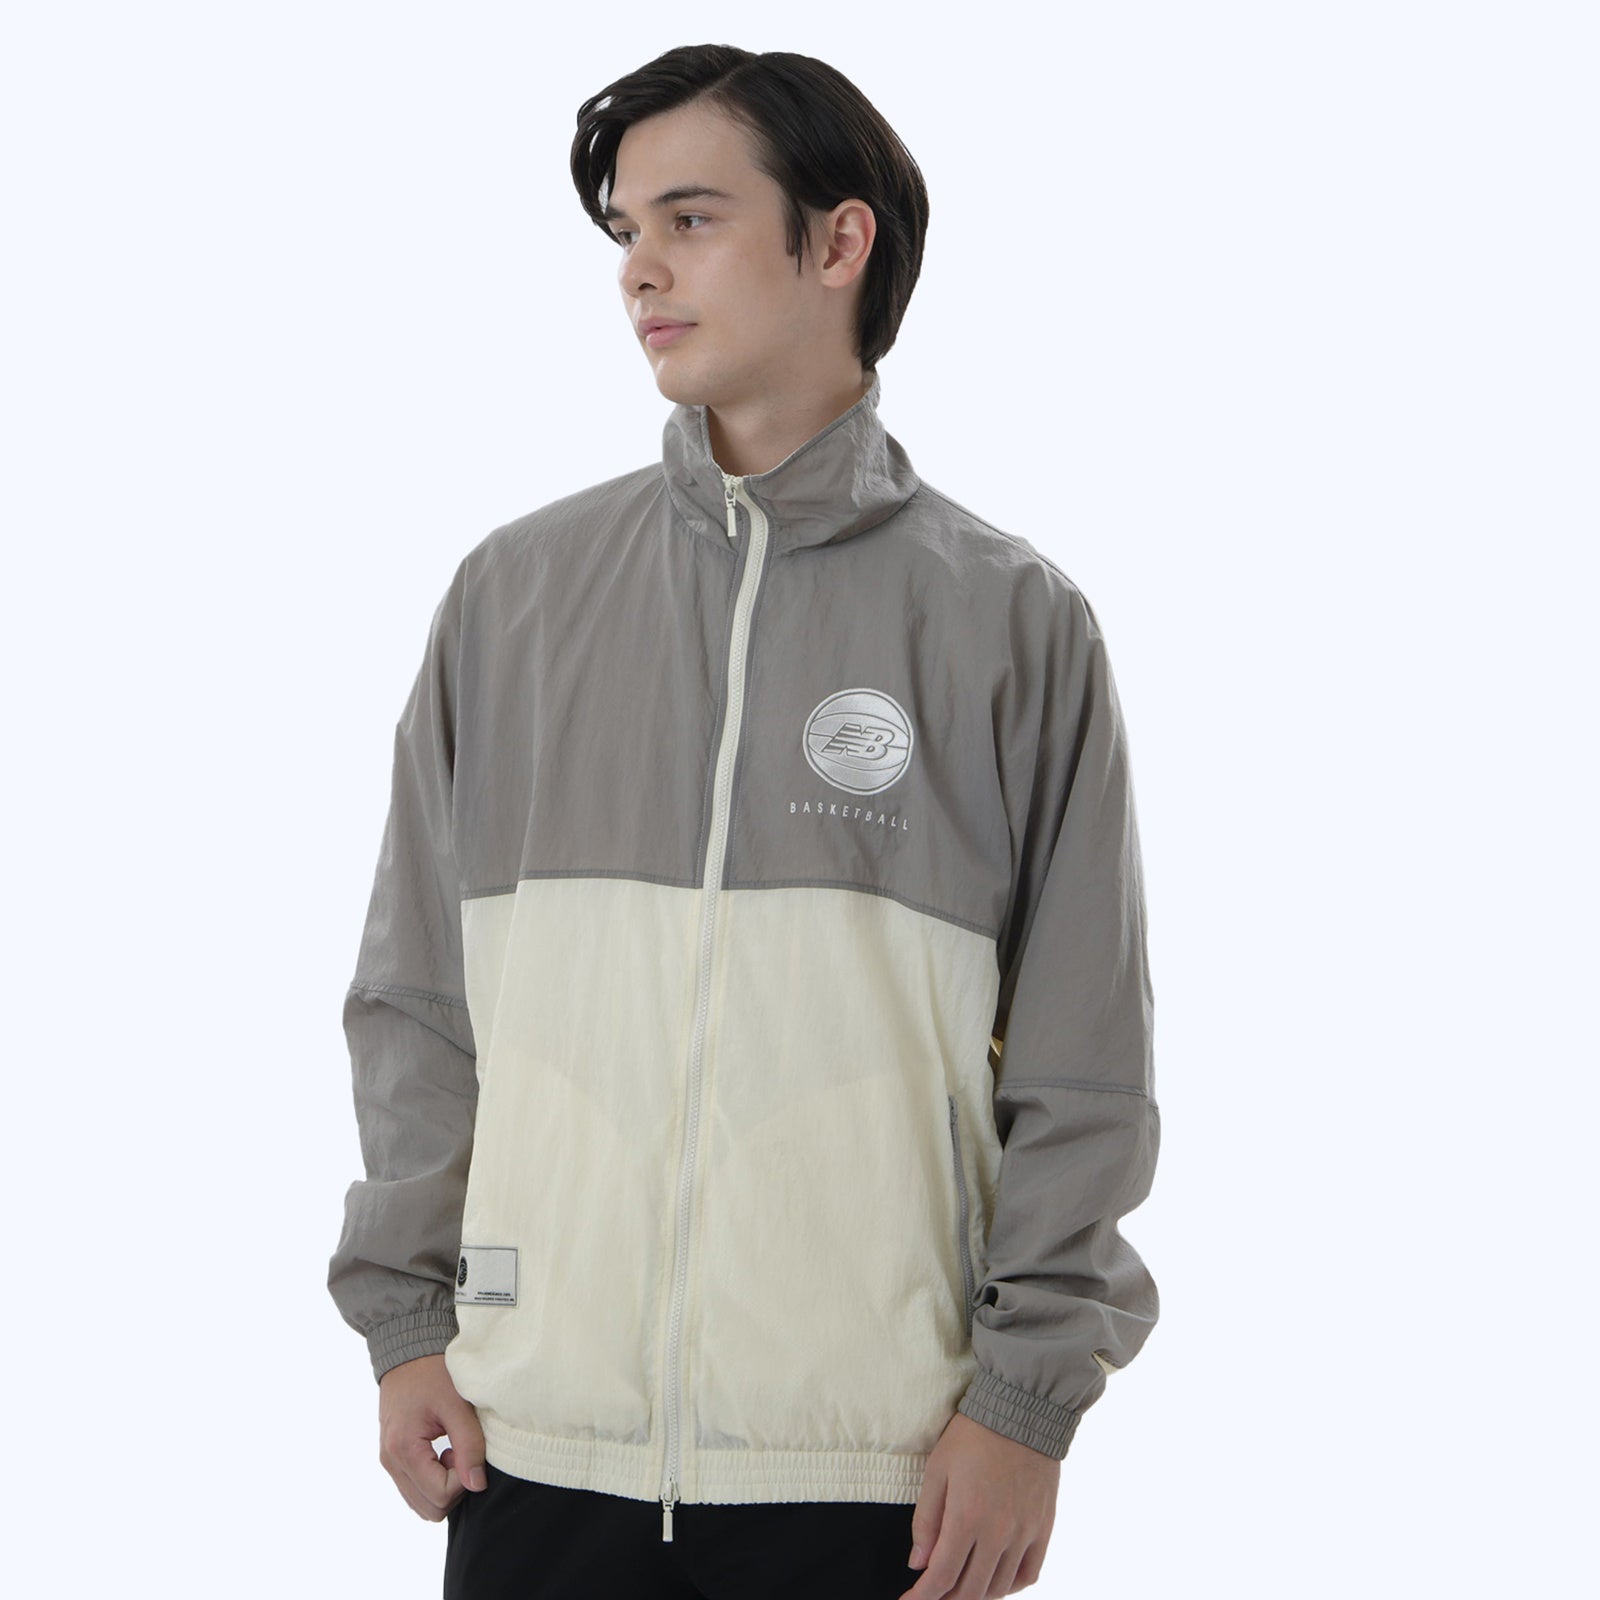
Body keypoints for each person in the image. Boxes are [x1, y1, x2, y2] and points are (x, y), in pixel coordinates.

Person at [327, 42, 1161, 1600]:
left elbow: (1083, 1064)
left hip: (878, 1480)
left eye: (691, 220)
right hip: (532, 1457)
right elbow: (416, 1004)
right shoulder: (515, 600)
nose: (640, 269)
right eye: (626, 232)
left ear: (838, 242)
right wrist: (406, 1325)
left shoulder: (1011, 625)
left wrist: (1024, 1404)